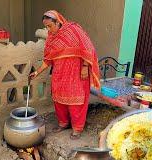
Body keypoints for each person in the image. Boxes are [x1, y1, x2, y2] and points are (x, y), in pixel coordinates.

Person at [30, 10, 100, 140]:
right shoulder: (51, 37)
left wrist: (85, 66)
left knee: (76, 102)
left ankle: (77, 128)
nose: (48, 29)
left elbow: (88, 47)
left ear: (58, 21)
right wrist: (36, 72)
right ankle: (64, 123)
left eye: (50, 26)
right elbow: (48, 59)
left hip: (77, 73)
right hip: (59, 74)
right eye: (46, 27)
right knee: (59, 100)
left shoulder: (74, 30)